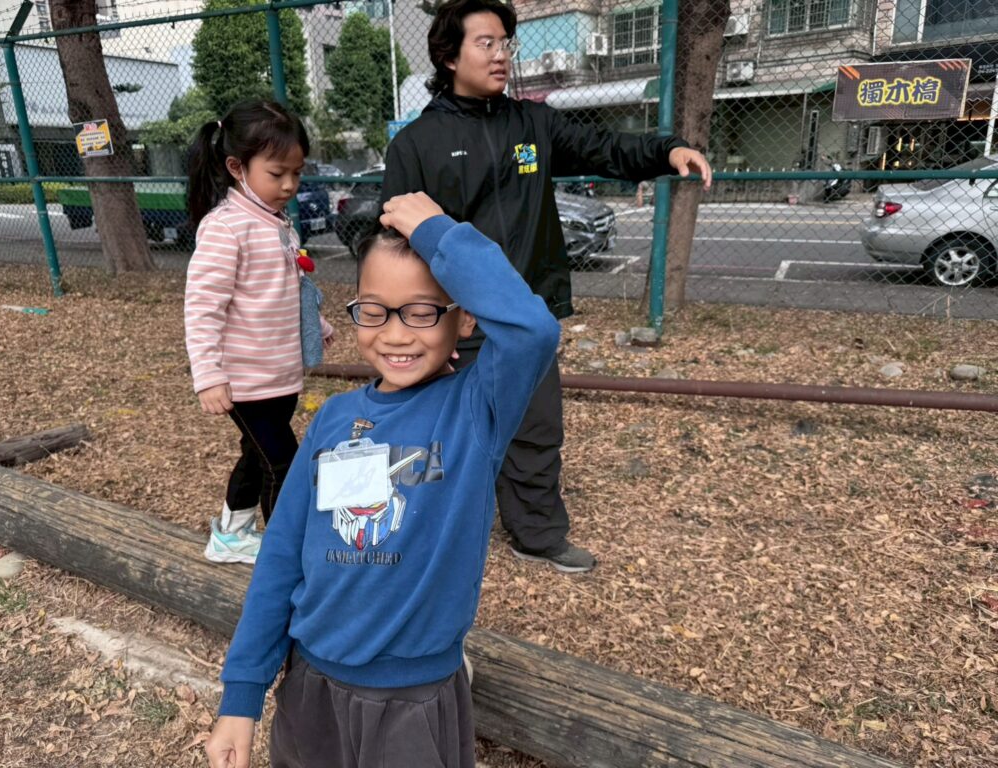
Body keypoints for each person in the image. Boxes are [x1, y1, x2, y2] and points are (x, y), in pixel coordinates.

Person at [203, 191, 560, 768]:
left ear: (466, 315)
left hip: (413, 700)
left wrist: (440, 234)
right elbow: (283, 557)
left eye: (422, 311)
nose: (395, 334)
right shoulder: (333, 419)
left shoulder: (476, 410)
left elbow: (532, 331)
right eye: (374, 311)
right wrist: (241, 695)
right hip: (310, 684)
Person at [381, 0, 712, 573]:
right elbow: (394, 243)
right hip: (452, 318)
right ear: (449, 56)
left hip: (524, 316)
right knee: (437, 430)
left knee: (535, 428)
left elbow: (606, 148)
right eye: (486, 43)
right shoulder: (416, 144)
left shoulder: (533, 124)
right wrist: (419, 318)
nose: (501, 55)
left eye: (505, 43)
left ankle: (534, 534)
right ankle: (423, 535)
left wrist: (666, 150)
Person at [184, 99, 334, 565]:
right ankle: (286, 559)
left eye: (297, 172)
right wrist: (209, 376)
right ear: (237, 167)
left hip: (280, 375)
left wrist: (316, 324)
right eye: (277, 173)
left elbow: (288, 287)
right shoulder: (226, 228)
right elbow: (203, 307)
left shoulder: (274, 220)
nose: (289, 184)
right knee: (283, 463)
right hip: (246, 381)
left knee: (256, 455)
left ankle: (231, 535)